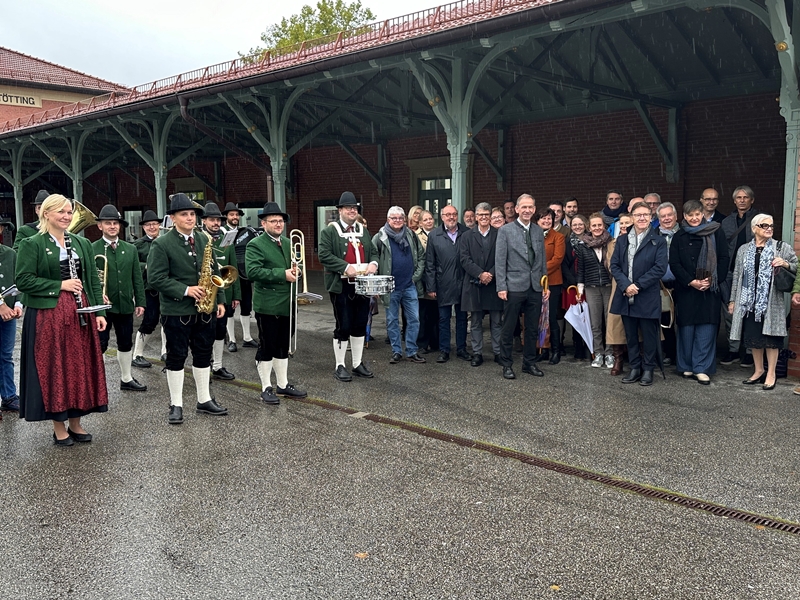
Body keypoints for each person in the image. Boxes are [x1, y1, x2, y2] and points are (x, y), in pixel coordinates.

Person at [16, 194, 108, 446]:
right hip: (48, 315)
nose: (67, 216)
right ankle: (59, 427)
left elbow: (91, 281)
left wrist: (99, 312)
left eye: (69, 212)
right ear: (46, 213)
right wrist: (59, 285)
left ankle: (76, 422)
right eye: (62, 212)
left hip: (80, 313)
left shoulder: (81, 242)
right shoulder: (32, 243)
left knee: (78, 366)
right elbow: (23, 280)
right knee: (56, 368)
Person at [147, 193, 228, 424]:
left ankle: (204, 399)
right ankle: (176, 404)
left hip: (205, 310)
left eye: (192, 214)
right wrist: (186, 290)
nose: (190, 218)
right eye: (184, 214)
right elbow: (154, 278)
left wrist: (219, 299)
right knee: (177, 356)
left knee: (203, 354)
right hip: (177, 310)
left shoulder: (203, 239)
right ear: (173, 218)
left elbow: (213, 271)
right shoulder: (161, 244)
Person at [245, 202, 308, 404]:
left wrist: (296, 272)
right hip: (268, 303)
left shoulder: (289, 243)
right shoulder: (255, 244)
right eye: (273, 221)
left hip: (287, 302)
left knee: (283, 345)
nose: (278, 224)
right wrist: (283, 274)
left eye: (280, 221)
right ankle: (266, 387)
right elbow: (252, 272)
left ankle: (282, 384)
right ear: (263, 223)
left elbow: (293, 267)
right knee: (268, 345)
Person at [729, 213, 796, 391]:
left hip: (771, 301)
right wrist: (733, 300)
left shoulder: (781, 247)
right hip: (749, 303)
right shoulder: (743, 249)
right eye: (764, 226)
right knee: (754, 339)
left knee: (771, 339)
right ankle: (758, 371)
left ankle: (771, 373)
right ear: (754, 229)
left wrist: (786, 264)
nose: (769, 229)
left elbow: (797, 266)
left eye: (771, 226)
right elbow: (737, 276)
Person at [318, 191, 379, 382]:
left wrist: (373, 264)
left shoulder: (363, 230)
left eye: (354, 208)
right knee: (343, 325)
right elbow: (324, 255)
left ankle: (357, 363)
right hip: (341, 285)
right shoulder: (330, 231)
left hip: (361, 285)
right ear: (340, 210)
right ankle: (340, 365)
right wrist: (345, 267)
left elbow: (374, 252)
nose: (352, 211)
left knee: (360, 324)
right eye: (348, 208)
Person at [669, 200, 729, 385]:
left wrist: (712, 281)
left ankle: (701, 368)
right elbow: (675, 263)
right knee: (686, 328)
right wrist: (690, 281)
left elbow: (724, 258)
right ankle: (686, 365)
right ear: (684, 217)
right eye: (690, 215)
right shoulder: (678, 236)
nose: (694, 218)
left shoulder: (716, 231)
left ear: (702, 214)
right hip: (687, 289)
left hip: (709, 290)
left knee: (706, 328)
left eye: (697, 214)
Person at [609, 201, 668, 386]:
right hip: (626, 294)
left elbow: (660, 268)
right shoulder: (621, 240)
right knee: (631, 334)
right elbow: (615, 266)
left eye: (645, 215)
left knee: (649, 335)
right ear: (632, 218)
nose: (642, 218)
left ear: (651, 218)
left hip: (647, 295)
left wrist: (638, 285)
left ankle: (648, 369)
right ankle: (634, 367)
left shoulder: (658, 241)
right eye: (638, 215)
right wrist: (626, 285)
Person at [92, 204, 147, 392]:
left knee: (125, 342)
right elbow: (87, 279)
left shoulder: (129, 249)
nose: (112, 226)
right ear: (100, 226)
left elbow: (137, 278)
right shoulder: (92, 248)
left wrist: (140, 301)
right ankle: (97, 382)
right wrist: (97, 296)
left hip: (124, 304)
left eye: (115, 223)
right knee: (100, 343)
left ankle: (126, 378)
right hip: (102, 307)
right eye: (108, 223)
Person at [496, 193, 548, 379]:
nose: (527, 210)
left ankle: (529, 363)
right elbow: (500, 260)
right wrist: (501, 286)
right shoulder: (505, 231)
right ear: (517, 209)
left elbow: (541, 259)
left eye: (530, 207)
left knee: (532, 328)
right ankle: (507, 364)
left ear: (534, 210)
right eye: (523, 207)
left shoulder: (537, 230)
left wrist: (545, 285)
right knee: (509, 328)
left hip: (535, 287)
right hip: (514, 286)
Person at [373, 206, 426, 364]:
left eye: (400, 218)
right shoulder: (380, 237)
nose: (397, 221)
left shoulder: (410, 234)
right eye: (393, 218)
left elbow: (421, 256)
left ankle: (411, 351)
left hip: (409, 285)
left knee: (414, 319)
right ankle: (396, 351)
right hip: (390, 287)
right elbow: (373, 257)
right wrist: (376, 284)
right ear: (388, 220)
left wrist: (416, 276)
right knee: (392, 320)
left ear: (404, 219)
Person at [460, 202, 504, 366]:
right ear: (476, 217)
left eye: (487, 215)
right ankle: (477, 353)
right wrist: (480, 274)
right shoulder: (466, 236)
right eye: (481, 215)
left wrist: (490, 274)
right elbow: (464, 259)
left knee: (496, 321)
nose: (484, 218)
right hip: (474, 283)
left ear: (490, 216)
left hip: (494, 283)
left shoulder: (500, 234)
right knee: (476, 322)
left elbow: (502, 257)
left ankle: (498, 352)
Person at [424, 204, 469, 363]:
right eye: (448, 214)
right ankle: (444, 350)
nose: (451, 217)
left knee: (462, 318)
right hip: (443, 283)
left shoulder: (467, 233)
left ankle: (462, 348)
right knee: (444, 319)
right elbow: (430, 263)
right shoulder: (434, 235)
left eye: (454, 214)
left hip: (463, 283)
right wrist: (431, 286)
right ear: (442, 217)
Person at [202, 202, 241, 381]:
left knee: (219, 331)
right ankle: (204, 367)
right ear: (204, 221)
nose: (216, 223)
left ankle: (217, 366)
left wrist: (236, 295)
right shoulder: (198, 239)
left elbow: (233, 270)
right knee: (204, 334)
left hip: (223, 294)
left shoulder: (227, 239)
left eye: (218, 220)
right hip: (204, 294)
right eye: (212, 220)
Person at [720, 186, 757, 366]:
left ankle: (750, 351)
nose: (742, 200)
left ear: (752, 200)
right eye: (739, 198)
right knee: (730, 312)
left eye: (745, 197)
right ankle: (733, 349)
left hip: (752, 273)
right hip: (729, 272)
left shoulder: (759, 220)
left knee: (751, 312)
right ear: (734, 201)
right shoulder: (726, 222)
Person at [575, 213, 614, 369]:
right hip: (591, 288)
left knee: (610, 321)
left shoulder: (611, 243)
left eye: (600, 225)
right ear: (589, 228)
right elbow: (581, 270)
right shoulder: (583, 246)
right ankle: (598, 353)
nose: (597, 228)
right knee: (595, 322)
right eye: (594, 226)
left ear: (603, 226)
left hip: (609, 286)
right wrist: (580, 290)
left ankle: (610, 353)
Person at [221, 202, 259, 352]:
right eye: (232, 214)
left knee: (246, 307)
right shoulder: (221, 232)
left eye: (237, 214)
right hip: (228, 275)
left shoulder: (246, 232)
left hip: (244, 275)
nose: (235, 217)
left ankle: (247, 337)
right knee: (229, 309)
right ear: (226, 217)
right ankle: (232, 339)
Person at [132, 210, 168, 367]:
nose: (152, 227)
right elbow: (132, 265)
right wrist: (146, 266)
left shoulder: (167, 242)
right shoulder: (138, 245)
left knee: (167, 319)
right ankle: (137, 355)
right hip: (149, 289)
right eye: (148, 224)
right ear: (144, 227)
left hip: (166, 288)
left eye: (154, 224)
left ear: (159, 225)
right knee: (150, 320)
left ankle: (165, 351)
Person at [604, 213, 633, 375]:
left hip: (638, 287)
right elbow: (611, 267)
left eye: (627, 223)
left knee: (638, 325)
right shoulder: (612, 244)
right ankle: (618, 359)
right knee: (616, 324)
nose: (623, 226)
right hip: (618, 287)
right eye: (621, 223)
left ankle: (639, 358)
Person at [535, 207, 565, 364]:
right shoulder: (532, 235)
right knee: (540, 317)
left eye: (549, 219)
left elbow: (557, 258)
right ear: (537, 221)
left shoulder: (558, 237)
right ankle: (542, 349)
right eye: (543, 218)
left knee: (551, 317)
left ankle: (556, 350)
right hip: (534, 282)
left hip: (552, 282)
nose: (546, 221)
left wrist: (540, 270)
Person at [0, 218, 22, 413]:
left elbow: (18, 281)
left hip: (8, 315)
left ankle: (8, 396)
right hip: (2, 310)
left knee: (6, 356)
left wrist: (17, 304)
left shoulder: (10, 254)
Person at [562, 214, 589, 360]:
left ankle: (590, 346)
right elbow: (564, 264)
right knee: (576, 317)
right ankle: (578, 347)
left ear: (585, 225)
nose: (577, 227)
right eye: (574, 225)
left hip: (589, 283)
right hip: (572, 285)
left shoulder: (591, 241)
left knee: (590, 317)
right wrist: (574, 282)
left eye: (580, 224)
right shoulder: (567, 243)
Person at [657, 202, 680, 365]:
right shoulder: (654, 236)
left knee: (684, 321)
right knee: (666, 321)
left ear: (676, 216)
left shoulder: (685, 233)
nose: (666, 219)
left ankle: (683, 355)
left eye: (669, 215)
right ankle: (670, 353)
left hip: (683, 284)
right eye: (663, 216)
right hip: (663, 286)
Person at [415, 209, 438, 354]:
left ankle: (436, 342)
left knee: (436, 314)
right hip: (422, 280)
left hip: (437, 279)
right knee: (422, 314)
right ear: (420, 222)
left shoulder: (439, 234)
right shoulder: (415, 236)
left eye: (431, 219)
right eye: (426, 219)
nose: (429, 221)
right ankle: (422, 344)